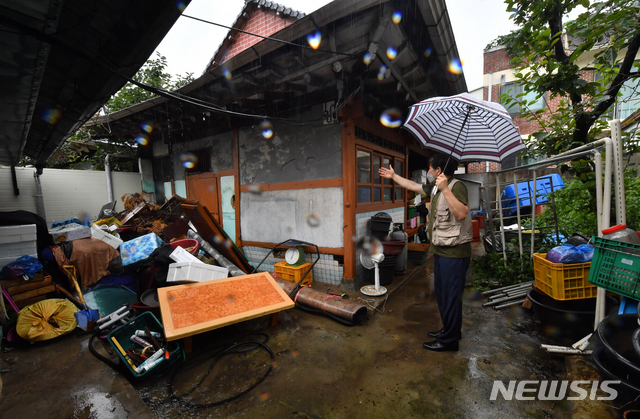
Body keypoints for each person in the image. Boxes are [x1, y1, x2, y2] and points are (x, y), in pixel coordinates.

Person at [379, 153, 472, 352]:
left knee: (450, 296)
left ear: (439, 170)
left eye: (430, 168)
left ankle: (450, 341)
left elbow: (461, 213)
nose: (428, 171)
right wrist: (393, 176)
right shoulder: (436, 188)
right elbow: (413, 186)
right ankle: (450, 330)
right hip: (441, 251)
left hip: (454, 254)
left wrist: (446, 188)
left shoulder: (456, 186)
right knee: (442, 293)